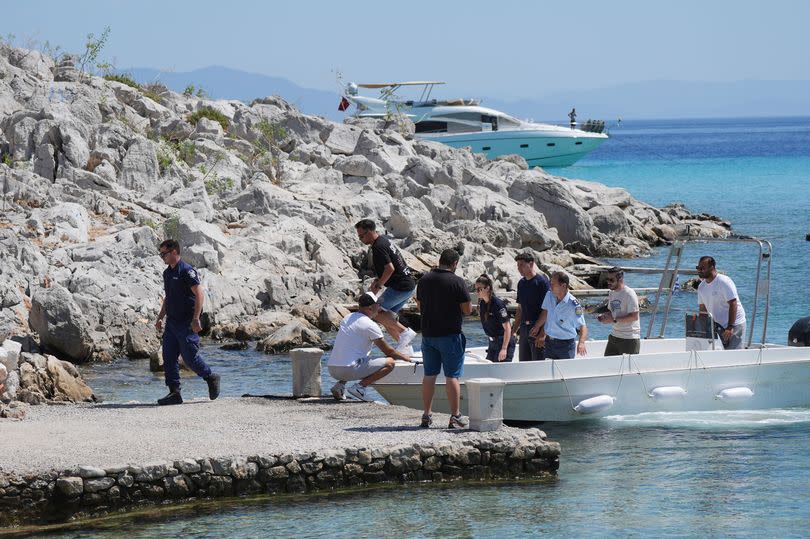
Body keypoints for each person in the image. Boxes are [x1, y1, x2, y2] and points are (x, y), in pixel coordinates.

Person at [155, 239, 220, 405]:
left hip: (186, 322)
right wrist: (160, 317)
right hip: (172, 322)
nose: (161, 256)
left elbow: (199, 294)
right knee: (168, 357)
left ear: (174, 252)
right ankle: (174, 393)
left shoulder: (186, 271)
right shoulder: (167, 273)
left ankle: (210, 376)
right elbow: (168, 297)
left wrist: (196, 318)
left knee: (189, 357)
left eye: (164, 253)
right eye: (160, 253)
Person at [416, 249, 472, 429]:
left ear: (440, 261)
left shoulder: (424, 280)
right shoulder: (457, 281)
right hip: (450, 335)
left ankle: (426, 415)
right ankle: (455, 416)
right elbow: (467, 310)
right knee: (452, 377)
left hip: (428, 335)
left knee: (429, 376)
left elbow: (419, 304)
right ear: (455, 263)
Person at [328, 291, 413, 402]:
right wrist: (408, 359)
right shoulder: (370, 325)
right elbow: (389, 352)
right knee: (390, 363)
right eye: (377, 304)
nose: (379, 307)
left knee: (357, 355)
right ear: (370, 308)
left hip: (332, 369)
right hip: (347, 370)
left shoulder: (347, 317)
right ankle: (360, 387)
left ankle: (339, 386)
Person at [354, 219, 417, 353]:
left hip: (400, 287)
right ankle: (406, 348)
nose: (360, 239)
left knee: (375, 312)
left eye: (361, 236)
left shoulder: (378, 247)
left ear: (370, 231)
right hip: (407, 285)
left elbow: (390, 268)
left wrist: (379, 285)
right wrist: (377, 280)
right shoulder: (383, 241)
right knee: (387, 319)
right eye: (359, 236)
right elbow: (389, 267)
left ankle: (405, 332)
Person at [696, 256, 746, 349]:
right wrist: (702, 330)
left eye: (702, 268)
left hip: (735, 324)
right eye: (698, 268)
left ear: (712, 267)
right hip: (717, 326)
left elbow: (733, 304)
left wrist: (729, 327)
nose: (699, 270)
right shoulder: (701, 287)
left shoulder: (724, 281)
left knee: (733, 354)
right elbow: (703, 310)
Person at [537, 271, 588, 359]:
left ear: (563, 286)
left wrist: (581, 343)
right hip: (549, 344)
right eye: (550, 283)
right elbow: (545, 312)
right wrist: (538, 326)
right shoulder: (549, 295)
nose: (550, 286)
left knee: (565, 372)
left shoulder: (573, 305)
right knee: (549, 372)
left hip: (566, 346)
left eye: (553, 284)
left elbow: (582, 326)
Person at [512, 252, 550, 362]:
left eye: (522, 265)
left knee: (538, 362)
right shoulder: (521, 283)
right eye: (518, 265)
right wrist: (514, 330)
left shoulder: (542, 282)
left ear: (531, 264)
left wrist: (543, 332)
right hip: (524, 329)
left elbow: (549, 309)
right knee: (523, 362)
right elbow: (520, 308)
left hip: (537, 328)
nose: (519, 268)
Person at [597, 267, 641, 355]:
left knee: (628, 369)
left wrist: (613, 319)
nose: (608, 282)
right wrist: (604, 317)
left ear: (620, 279)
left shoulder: (629, 293)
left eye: (611, 280)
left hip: (629, 339)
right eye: (607, 279)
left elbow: (634, 316)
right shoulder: (612, 293)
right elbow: (613, 312)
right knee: (608, 366)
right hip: (614, 336)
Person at [475, 274, 516, 362]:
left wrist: (504, 349)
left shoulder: (498, 304)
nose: (477, 292)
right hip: (492, 343)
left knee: (500, 371)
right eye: (476, 289)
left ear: (487, 288)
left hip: (503, 342)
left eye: (479, 289)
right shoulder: (482, 304)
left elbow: (507, 328)